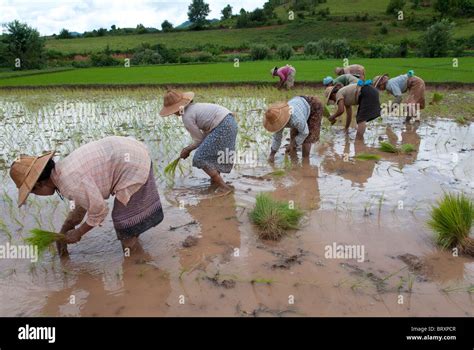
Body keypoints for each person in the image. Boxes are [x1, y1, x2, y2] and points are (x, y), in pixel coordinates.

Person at [9, 136, 164, 256]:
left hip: (132, 164)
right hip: (131, 151)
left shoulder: (69, 183)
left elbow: (99, 209)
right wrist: (67, 226)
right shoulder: (62, 171)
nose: (36, 195)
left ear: (39, 184)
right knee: (128, 218)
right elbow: (85, 201)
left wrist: (79, 232)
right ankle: (135, 249)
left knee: (124, 221)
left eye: (33, 192)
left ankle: (135, 263)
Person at [159, 90, 238, 194]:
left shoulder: (186, 117)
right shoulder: (195, 107)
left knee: (199, 158)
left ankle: (223, 187)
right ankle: (214, 182)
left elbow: (199, 140)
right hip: (230, 122)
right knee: (212, 155)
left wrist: (187, 150)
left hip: (222, 125)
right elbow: (205, 136)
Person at [265, 95, 323, 162]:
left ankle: (306, 162)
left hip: (314, 106)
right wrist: (272, 155)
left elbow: (305, 132)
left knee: (307, 139)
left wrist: (292, 144)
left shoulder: (296, 119)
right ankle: (294, 161)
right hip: (299, 106)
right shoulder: (277, 119)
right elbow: (277, 137)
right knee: (293, 136)